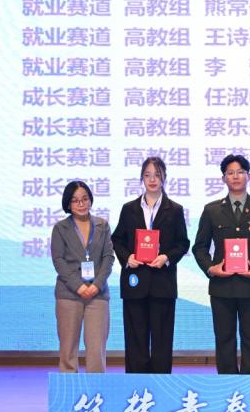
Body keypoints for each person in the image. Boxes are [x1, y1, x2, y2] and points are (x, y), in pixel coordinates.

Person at [192, 154, 250, 374]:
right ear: (223, 178)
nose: (236, 176)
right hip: (222, 286)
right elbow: (199, 247)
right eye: (230, 173)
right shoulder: (212, 210)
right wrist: (211, 268)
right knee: (224, 339)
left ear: (249, 176)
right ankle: (227, 383)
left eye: (240, 172)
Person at [111, 156, 191, 373]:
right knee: (135, 340)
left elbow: (183, 243)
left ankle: (160, 384)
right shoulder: (129, 209)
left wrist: (166, 257)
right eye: (147, 175)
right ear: (142, 178)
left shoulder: (174, 209)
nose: (152, 180)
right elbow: (117, 239)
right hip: (135, 282)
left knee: (162, 341)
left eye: (157, 175)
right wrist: (127, 257)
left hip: (162, 283)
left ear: (164, 177)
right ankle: (137, 385)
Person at [51, 180, 113, 373]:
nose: (81, 204)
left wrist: (97, 285)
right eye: (75, 200)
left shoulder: (102, 225)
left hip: (97, 294)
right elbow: (58, 260)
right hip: (69, 294)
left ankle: (96, 389)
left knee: (96, 350)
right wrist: (78, 286)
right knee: (68, 349)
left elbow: (108, 257)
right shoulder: (60, 228)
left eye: (85, 199)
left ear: (90, 200)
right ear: (68, 204)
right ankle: (69, 389)